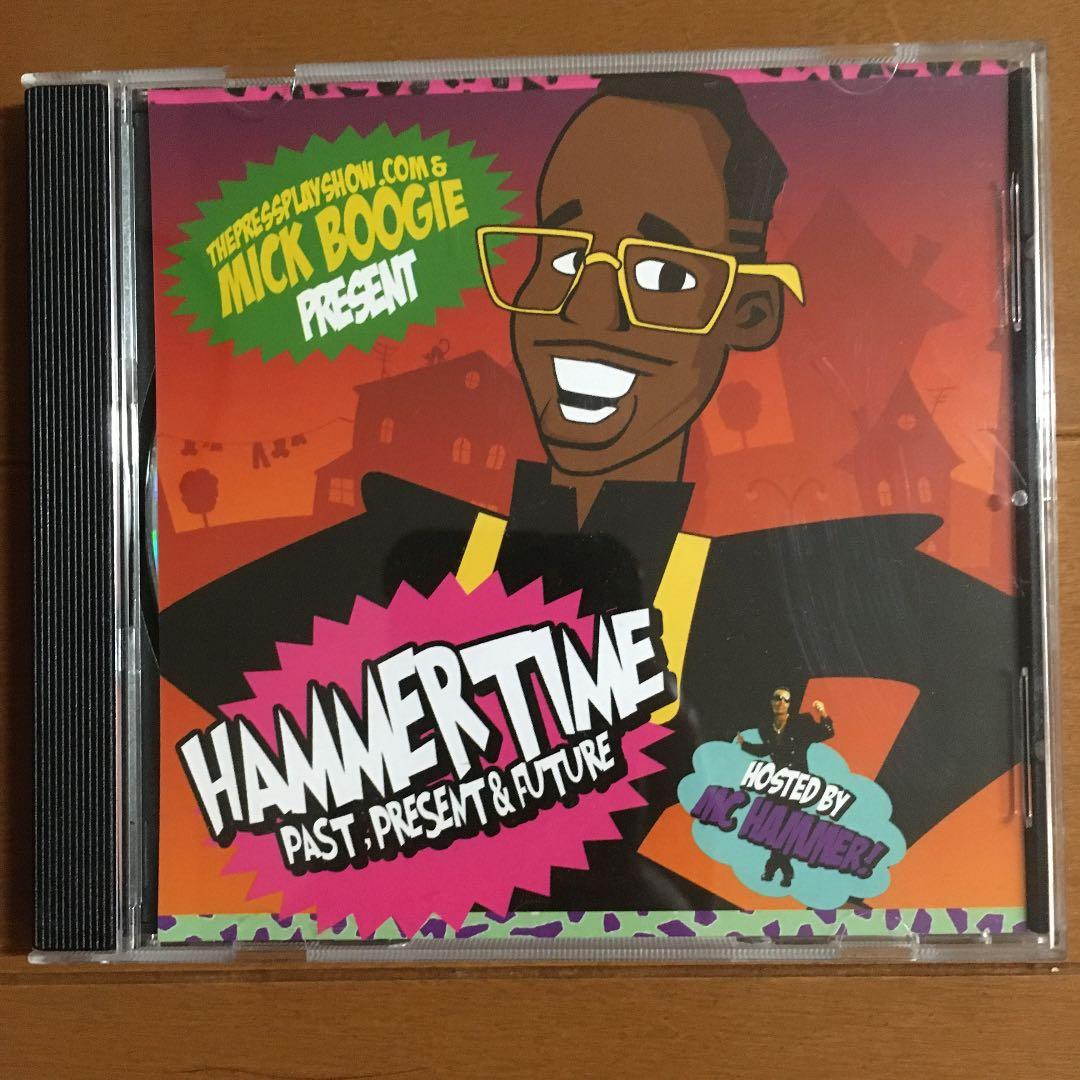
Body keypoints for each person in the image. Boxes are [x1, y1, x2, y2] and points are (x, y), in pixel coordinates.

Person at [159, 72, 1019, 913]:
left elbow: (992, 668)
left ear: (749, 312)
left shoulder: (769, 590)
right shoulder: (416, 555)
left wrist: (826, 862)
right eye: (563, 257)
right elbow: (172, 647)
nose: (589, 311)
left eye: (663, 276)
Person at [737, 689, 834, 888]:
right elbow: (767, 750)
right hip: (777, 784)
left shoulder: (802, 723)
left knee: (787, 828)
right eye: (777, 698)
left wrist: (823, 712)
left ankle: (774, 869)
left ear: (790, 704)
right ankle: (783, 870)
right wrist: (745, 745)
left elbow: (827, 732)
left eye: (785, 699)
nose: (780, 702)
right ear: (771, 702)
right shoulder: (766, 728)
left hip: (797, 785)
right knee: (775, 829)